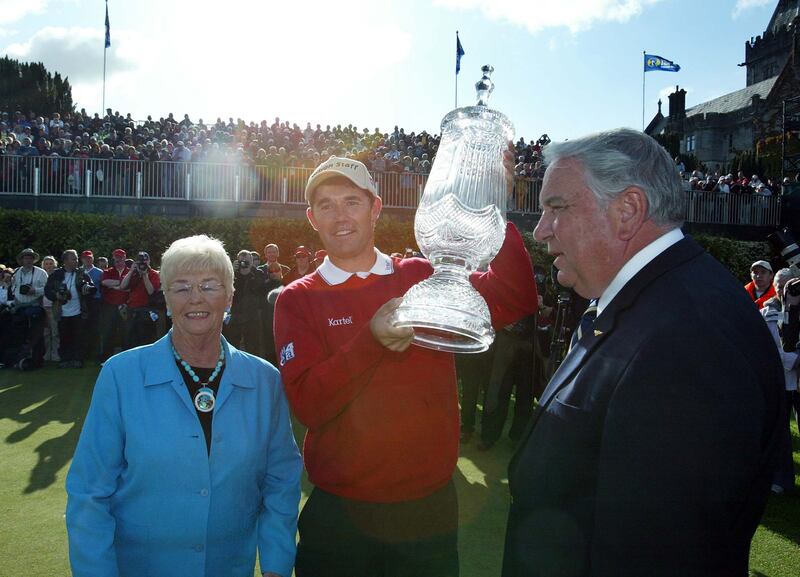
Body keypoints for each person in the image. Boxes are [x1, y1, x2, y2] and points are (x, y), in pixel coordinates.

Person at [503, 128, 783, 577]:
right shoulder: (654, 302)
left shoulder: (689, 342)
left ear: (628, 210)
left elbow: (658, 556)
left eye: (556, 208)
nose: (540, 232)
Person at [274, 155, 536, 577]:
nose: (339, 216)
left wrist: (492, 205)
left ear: (376, 208)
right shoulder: (297, 298)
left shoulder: (420, 275)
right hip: (341, 515)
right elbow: (309, 405)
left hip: (426, 512)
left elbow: (513, 297)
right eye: (326, 205)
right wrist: (371, 339)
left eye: (351, 202)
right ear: (312, 218)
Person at [66, 234, 302, 577]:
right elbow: (89, 493)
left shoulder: (265, 380)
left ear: (230, 297)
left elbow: (281, 481)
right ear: (165, 298)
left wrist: (276, 565)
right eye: (181, 287)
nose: (195, 298)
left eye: (209, 285)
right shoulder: (121, 375)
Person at [761, 268, 799, 496]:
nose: (784, 288)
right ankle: (780, 479)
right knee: (780, 434)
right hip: (781, 382)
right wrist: (791, 360)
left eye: (789, 284)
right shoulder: (768, 312)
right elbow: (766, 346)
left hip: (796, 381)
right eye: (779, 284)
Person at [44, 250, 95, 368]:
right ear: (65, 261)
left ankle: (78, 359)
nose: (76, 261)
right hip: (61, 312)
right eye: (73, 259)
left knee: (79, 337)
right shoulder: (56, 274)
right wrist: (56, 296)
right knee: (64, 337)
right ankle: (65, 360)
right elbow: (47, 291)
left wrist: (87, 289)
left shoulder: (82, 273)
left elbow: (92, 289)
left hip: (79, 311)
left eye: (76, 259)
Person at [119, 251, 160, 348]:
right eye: (140, 262)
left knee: (145, 339)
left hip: (146, 311)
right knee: (130, 339)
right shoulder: (133, 273)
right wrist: (131, 271)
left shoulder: (153, 274)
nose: (143, 264)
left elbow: (151, 291)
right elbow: (122, 286)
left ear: (149, 261)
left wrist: (145, 275)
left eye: (145, 262)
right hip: (132, 310)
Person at [98, 249, 130, 361]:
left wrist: (114, 284)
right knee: (108, 332)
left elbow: (130, 287)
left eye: (120, 257)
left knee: (125, 332)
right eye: (116, 258)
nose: (118, 260)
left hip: (125, 306)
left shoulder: (130, 272)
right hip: (109, 306)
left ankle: (127, 358)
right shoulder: (108, 271)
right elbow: (104, 282)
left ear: (125, 258)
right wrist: (122, 284)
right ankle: (105, 358)